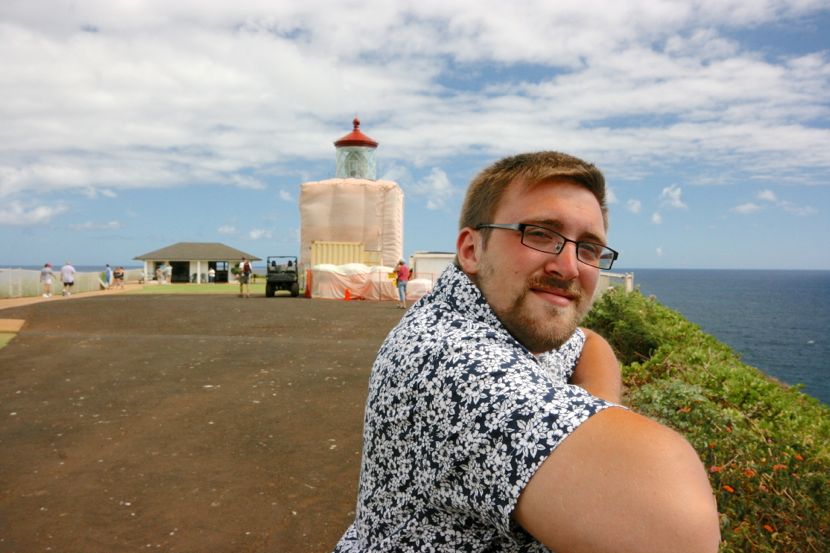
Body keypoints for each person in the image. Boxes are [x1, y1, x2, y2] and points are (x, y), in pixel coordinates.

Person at [334, 152, 719, 553]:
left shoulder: (502, 313)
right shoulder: (452, 361)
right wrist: (587, 431)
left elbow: (589, 342)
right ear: (471, 249)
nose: (568, 266)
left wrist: (587, 411)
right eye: (538, 233)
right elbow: (678, 533)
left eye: (588, 248)